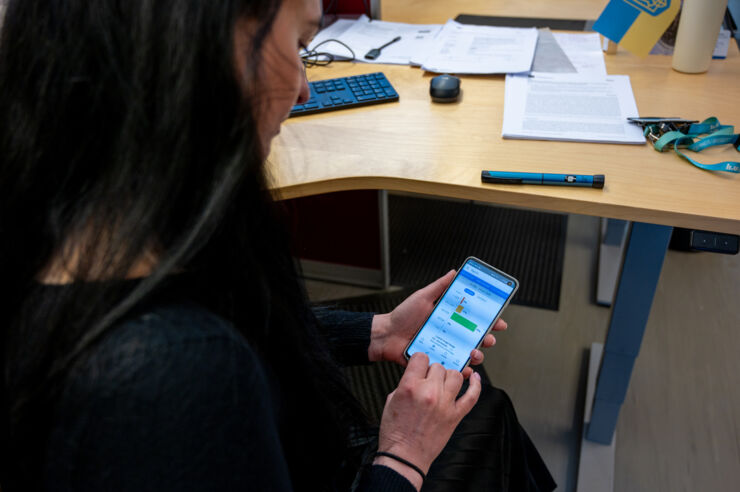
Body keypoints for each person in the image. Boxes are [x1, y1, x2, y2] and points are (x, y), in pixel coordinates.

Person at [0, 0, 556, 490]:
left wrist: (378, 329)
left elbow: (244, 318)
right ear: (207, 50)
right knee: (483, 413)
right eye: (299, 44)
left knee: (484, 407)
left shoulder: (83, 230)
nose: (305, 87)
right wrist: (403, 456)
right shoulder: (175, 375)